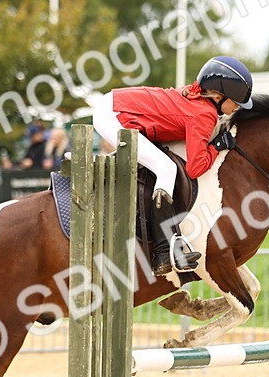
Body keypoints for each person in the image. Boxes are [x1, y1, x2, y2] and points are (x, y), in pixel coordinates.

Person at [92, 55, 253, 275]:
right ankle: (162, 251)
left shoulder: (199, 96)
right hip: (113, 115)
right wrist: (217, 146)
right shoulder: (204, 113)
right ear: (218, 95)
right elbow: (195, 168)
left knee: (164, 165)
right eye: (235, 101)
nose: (237, 107)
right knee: (167, 169)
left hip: (113, 104)